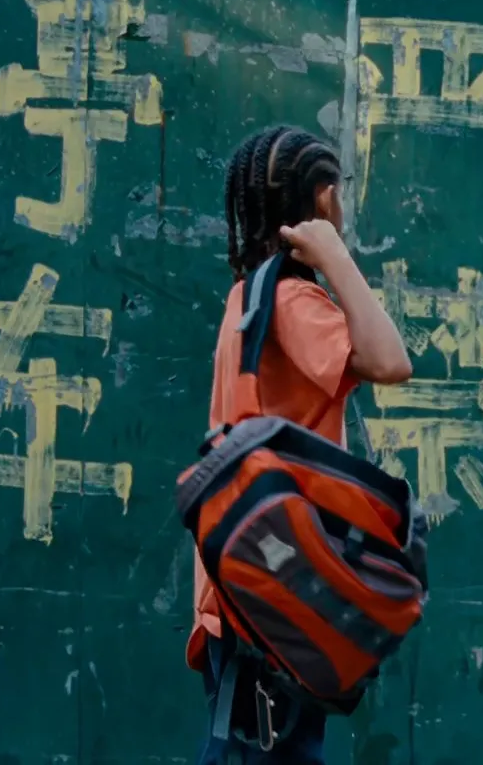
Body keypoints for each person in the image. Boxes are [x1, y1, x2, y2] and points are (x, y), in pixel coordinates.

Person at [193, 125, 413, 763]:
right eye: (339, 191)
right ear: (323, 198)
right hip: (277, 590)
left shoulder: (246, 297)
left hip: (238, 584)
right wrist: (335, 258)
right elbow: (391, 361)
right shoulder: (292, 300)